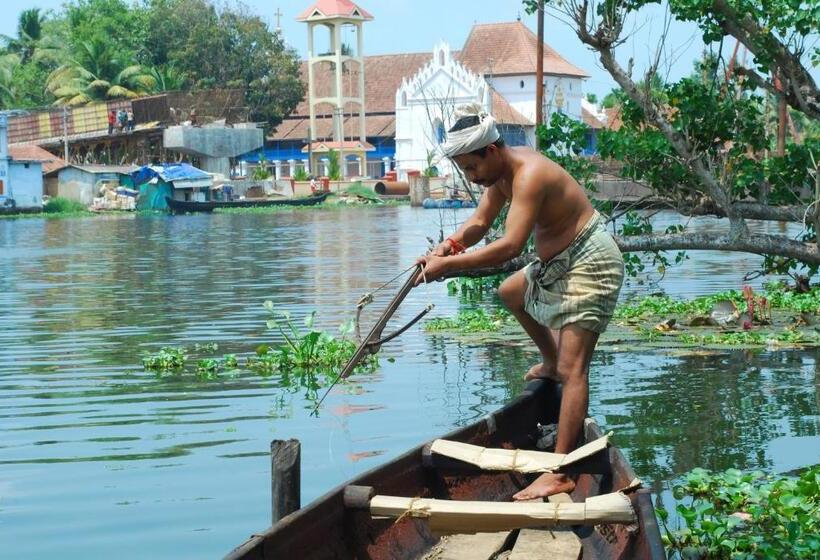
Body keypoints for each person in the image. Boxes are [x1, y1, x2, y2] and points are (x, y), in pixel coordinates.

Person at [415, 104, 624, 500]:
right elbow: (479, 224)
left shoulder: (528, 176)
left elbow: (509, 246)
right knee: (511, 292)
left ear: (491, 152)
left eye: (471, 168)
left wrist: (448, 267)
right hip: (558, 263)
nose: (470, 177)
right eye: (463, 171)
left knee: (574, 368)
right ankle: (549, 361)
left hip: (590, 261)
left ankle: (561, 470)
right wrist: (447, 246)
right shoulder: (500, 178)